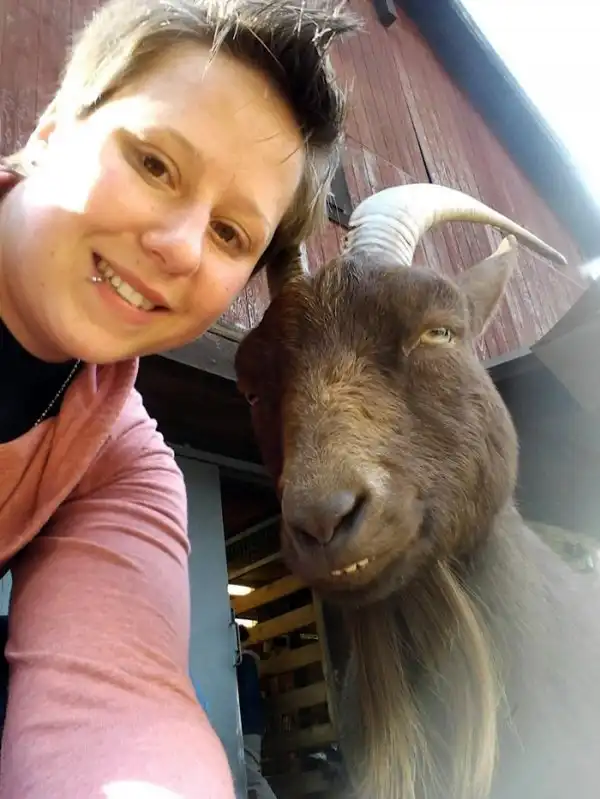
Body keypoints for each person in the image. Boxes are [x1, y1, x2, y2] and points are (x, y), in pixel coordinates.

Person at [0, 0, 357, 795]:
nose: (180, 247)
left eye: (230, 234)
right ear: (51, 132)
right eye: (156, 164)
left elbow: (117, 704)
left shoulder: (120, 468)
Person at [236, 625, 276, 799]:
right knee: (249, 769)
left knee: (249, 772)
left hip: (246, 724)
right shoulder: (247, 662)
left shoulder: (243, 662)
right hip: (251, 724)